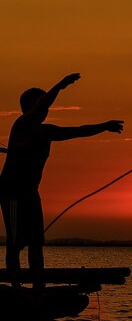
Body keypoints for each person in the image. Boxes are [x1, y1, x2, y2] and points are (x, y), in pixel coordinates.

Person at [0, 73, 124, 287]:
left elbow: (77, 131)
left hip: (30, 194)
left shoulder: (46, 132)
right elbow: (44, 103)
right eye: (41, 105)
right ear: (31, 107)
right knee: (15, 241)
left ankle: (39, 287)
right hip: (12, 193)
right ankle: (16, 287)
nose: (45, 110)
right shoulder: (21, 125)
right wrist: (61, 85)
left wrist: (104, 126)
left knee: (36, 243)